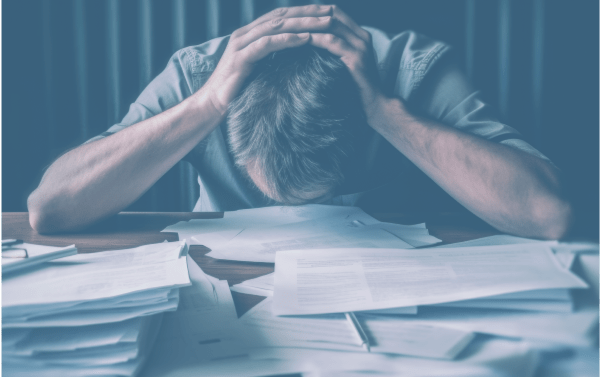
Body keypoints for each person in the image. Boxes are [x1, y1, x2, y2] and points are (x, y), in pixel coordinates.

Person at [28, 5, 571, 239]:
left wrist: (388, 114)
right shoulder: (197, 74)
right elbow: (51, 209)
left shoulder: (411, 69)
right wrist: (205, 104)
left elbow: (547, 215)